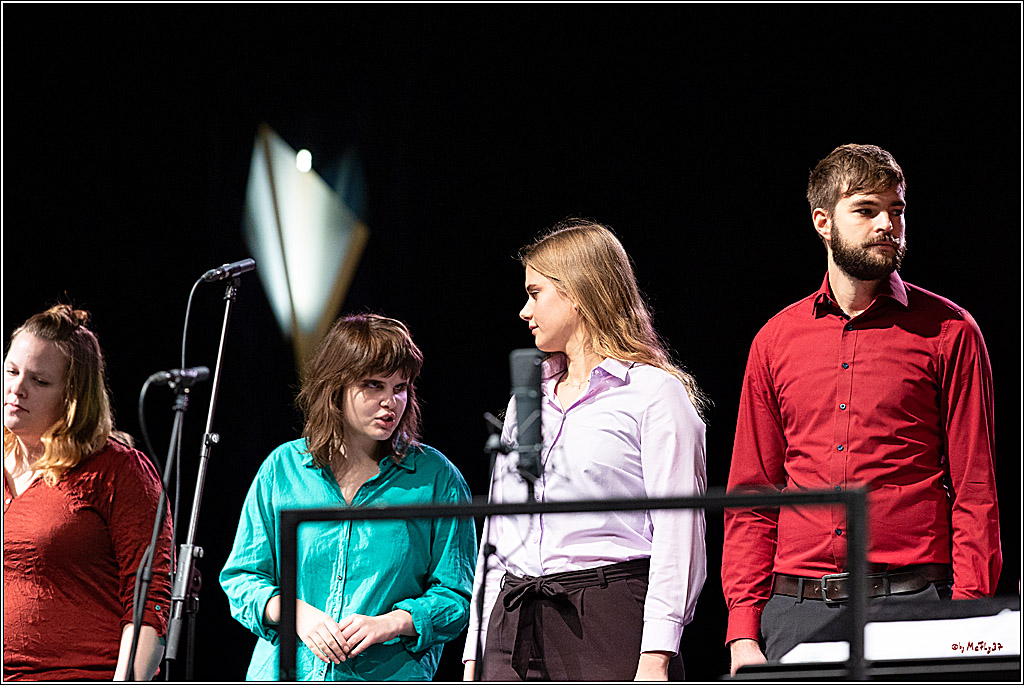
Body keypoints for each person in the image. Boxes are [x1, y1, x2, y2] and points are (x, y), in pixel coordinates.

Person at [722, 144, 1002, 674]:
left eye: (896, 210)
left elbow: (975, 490)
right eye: (867, 210)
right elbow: (753, 496)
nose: (887, 225)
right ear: (822, 222)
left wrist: (968, 620)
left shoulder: (949, 331)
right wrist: (742, 631)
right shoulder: (775, 341)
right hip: (798, 610)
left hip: (915, 603)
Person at [463, 218, 709, 681]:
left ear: (577, 292)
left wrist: (656, 654)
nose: (524, 311)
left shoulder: (653, 394)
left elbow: (679, 533)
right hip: (513, 624)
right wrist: (476, 650)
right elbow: (500, 529)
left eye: (535, 293)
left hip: (605, 619)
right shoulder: (527, 400)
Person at [219, 313, 477, 681]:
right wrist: (296, 613)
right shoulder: (283, 468)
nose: (391, 401)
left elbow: (457, 597)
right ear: (335, 387)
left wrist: (391, 623)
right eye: (374, 385)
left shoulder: (436, 478)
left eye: (400, 387)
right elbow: (243, 578)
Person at [3, 304, 173, 681]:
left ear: (73, 397)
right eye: (11, 371)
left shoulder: (117, 470)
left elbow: (149, 604)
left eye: (39, 381)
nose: (17, 388)